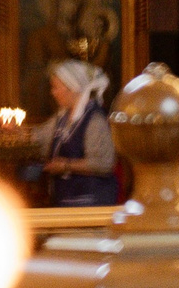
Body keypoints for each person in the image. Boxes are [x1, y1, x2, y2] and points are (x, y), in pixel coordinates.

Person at [36, 59, 119, 207]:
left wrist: (66, 165)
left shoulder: (95, 119)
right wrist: (14, 131)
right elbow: (38, 139)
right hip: (67, 199)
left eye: (55, 88)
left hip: (91, 201)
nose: (52, 93)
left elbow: (104, 163)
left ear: (72, 88)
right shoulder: (63, 117)